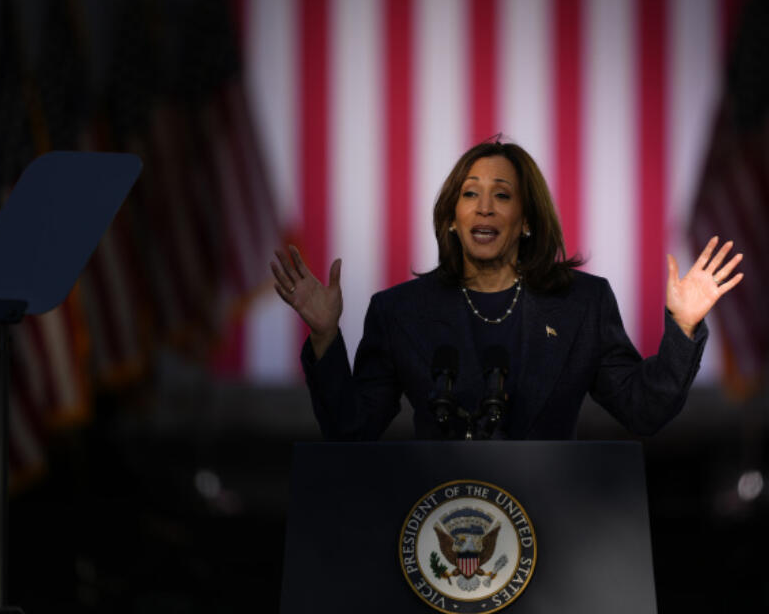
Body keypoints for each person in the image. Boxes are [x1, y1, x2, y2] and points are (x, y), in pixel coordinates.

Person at [270, 139, 743, 440]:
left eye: (502, 194)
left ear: (528, 221)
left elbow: (643, 410)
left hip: (550, 534)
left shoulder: (583, 305)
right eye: (470, 194)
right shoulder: (399, 312)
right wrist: (325, 338)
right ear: (452, 220)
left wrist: (683, 327)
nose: (485, 208)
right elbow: (352, 428)